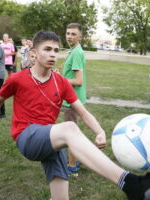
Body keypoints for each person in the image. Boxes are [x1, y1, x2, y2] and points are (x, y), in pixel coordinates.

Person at [0, 31, 150, 200]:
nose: (53, 54)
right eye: (47, 49)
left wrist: (99, 131)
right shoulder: (17, 79)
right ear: (34, 53)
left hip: (52, 139)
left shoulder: (61, 82)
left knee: (61, 197)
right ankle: (132, 184)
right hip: (27, 137)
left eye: (55, 50)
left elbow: (83, 112)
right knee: (69, 128)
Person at [59, 23, 86, 173]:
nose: (69, 36)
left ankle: (71, 164)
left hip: (72, 100)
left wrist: (58, 79)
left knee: (71, 134)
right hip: (71, 99)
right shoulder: (73, 50)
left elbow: (78, 81)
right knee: (73, 131)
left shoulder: (76, 52)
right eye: (68, 33)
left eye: (73, 34)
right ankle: (76, 159)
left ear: (80, 36)